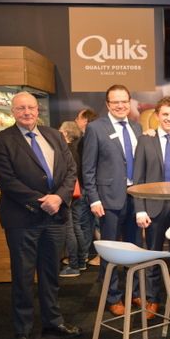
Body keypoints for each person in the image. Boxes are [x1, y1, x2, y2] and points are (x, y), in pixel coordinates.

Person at [0, 92, 82, 339]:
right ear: (13, 111)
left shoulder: (54, 135)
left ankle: (53, 321)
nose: (27, 112)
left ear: (37, 110)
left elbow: (70, 171)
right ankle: (23, 331)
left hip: (55, 217)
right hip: (22, 218)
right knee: (23, 276)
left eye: (31, 107)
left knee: (51, 273)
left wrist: (59, 197)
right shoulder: (2, 140)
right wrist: (41, 201)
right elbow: (7, 180)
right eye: (21, 108)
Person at [82, 84, 142, 317]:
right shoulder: (96, 128)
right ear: (107, 104)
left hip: (135, 198)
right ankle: (113, 297)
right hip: (108, 199)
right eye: (115, 102)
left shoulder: (137, 127)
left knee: (135, 249)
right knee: (111, 251)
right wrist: (93, 199)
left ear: (129, 102)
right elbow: (88, 168)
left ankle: (135, 292)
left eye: (124, 101)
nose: (120, 105)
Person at [132, 97, 170, 319]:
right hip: (153, 206)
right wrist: (140, 209)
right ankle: (152, 299)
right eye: (165, 114)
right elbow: (138, 179)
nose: (169, 118)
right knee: (153, 254)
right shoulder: (145, 141)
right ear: (157, 116)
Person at [58, 121, 85, 277]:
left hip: (67, 193)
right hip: (77, 193)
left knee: (69, 229)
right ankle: (81, 260)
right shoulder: (75, 150)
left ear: (65, 133)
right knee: (76, 226)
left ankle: (74, 265)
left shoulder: (64, 151)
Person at [74, 108, 99, 266]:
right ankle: (84, 256)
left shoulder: (89, 138)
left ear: (85, 120)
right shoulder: (85, 138)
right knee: (88, 223)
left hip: (92, 187)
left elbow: (88, 166)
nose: (76, 121)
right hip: (87, 186)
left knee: (96, 223)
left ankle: (101, 256)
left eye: (78, 118)